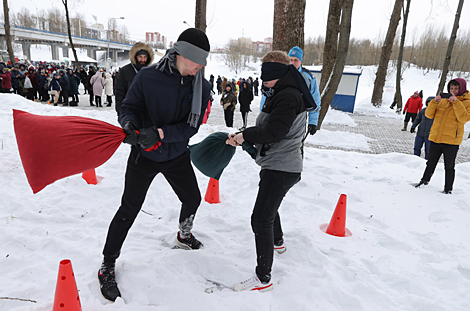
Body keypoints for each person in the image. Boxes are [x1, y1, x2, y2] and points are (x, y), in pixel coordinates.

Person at [98, 28, 211, 302]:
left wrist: (160, 133)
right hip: (144, 156)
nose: (200, 69)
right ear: (182, 54)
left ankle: (184, 235)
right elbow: (129, 107)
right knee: (129, 208)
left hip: (176, 154)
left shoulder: (202, 87)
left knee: (193, 198)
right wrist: (130, 126)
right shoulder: (148, 77)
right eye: (197, 63)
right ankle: (107, 264)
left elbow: (191, 127)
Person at [227, 50, 315, 292]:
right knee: (269, 208)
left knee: (260, 219)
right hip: (277, 164)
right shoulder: (282, 91)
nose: (263, 79)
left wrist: (245, 135)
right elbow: (270, 132)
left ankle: (262, 278)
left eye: (268, 74)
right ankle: (277, 242)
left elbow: (274, 132)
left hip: (282, 167)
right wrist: (243, 139)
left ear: (279, 73)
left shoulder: (288, 95)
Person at [414, 78, 470, 194]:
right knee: (430, 163)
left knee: (449, 166)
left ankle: (448, 189)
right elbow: (429, 115)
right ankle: (424, 182)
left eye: (456, 88)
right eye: (451, 88)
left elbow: (463, 118)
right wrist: (435, 101)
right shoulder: (443, 100)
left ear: (462, 89)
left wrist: (456, 102)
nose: (453, 91)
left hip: (451, 141)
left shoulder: (467, 102)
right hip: (436, 138)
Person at [288, 46, 321, 136]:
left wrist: (313, 122)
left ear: (301, 61)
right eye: (290, 60)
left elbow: (315, 100)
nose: (292, 63)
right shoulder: (280, 75)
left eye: (296, 60)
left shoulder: (308, 78)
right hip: (280, 115)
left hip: (299, 117)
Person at [114, 42, 154, 115]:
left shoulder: (151, 72)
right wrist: (121, 114)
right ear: (135, 56)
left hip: (148, 115)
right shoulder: (124, 71)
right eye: (140, 57)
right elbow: (119, 94)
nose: (143, 60)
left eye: (145, 57)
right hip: (130, 113)